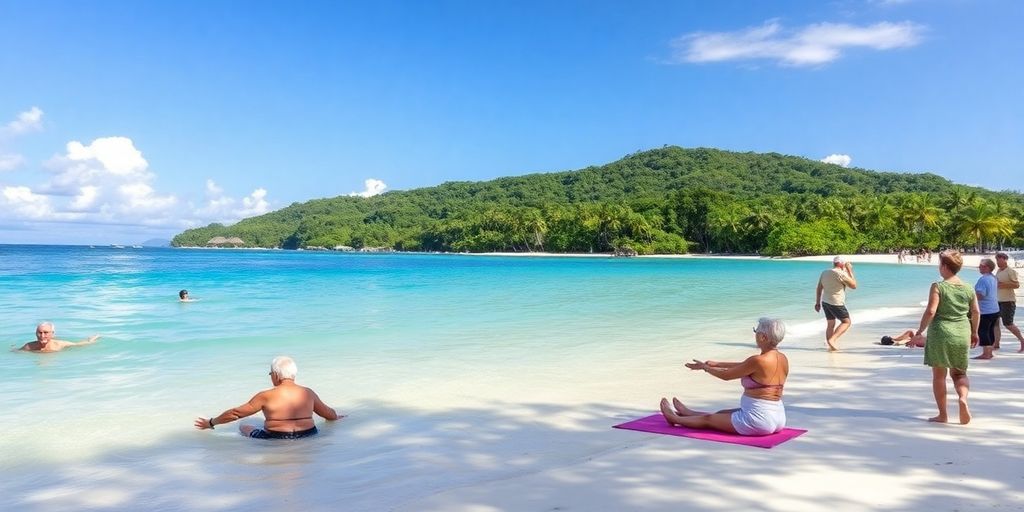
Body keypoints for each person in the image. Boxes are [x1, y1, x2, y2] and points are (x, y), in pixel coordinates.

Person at [659, 317, 789, 436]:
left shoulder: (758, 360)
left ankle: (674, 418)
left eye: (756, 331)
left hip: (758, 420)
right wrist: (716, 364)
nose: (755, 334)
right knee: (721, 414)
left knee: (708, 420)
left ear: (763, 337)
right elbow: (744, 366)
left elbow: (726, 376)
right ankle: (689, 414)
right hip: (778, 417)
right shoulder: (782, 359)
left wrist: (706, 368)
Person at [194, 356, 342, 439]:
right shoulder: (308, 393)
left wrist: (211, 422)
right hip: (309, 434)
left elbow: (235, 414)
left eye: (271, 374)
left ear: (276, 375)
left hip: (276, 438)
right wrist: (337, 417)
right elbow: (329, 414)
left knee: (244, 426)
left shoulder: (265, 396)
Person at [914, 250, 979, 425]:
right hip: (962, 332)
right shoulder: (968, 288)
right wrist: (974, 332)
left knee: (939, 375)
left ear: (944, 266)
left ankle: (943, 414)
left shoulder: (938, 286)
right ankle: (963, 398)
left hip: (941, 333)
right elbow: (975, 312)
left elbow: (931, 311)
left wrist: (920, 331)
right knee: (959, 373)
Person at [814, 256, 858, 351]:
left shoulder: (825, 272)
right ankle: (832, 340)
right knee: (846, 322)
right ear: (841, 264)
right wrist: (850, 270)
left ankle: (830, 346)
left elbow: (819, 288)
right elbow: (854, 285)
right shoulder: (841, 274)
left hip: (825, 301)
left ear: (834, 263)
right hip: (836, 302)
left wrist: (817, 303)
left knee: (831, 323)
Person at [993, 252, 1024, 352]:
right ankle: (996, 344)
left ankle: (1022, 341)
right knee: (995, 323)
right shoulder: (998, 271)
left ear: (1005, 259)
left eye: (999, 259)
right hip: (998, 301)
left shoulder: (1010, 271)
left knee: (1008, 324)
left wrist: (1002, 284)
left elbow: (1016, 285)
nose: (997, 262)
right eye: (996, 260)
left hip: (1008, 301)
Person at [973, 258, 1000, 360]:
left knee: (983, 331)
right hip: (994, 308)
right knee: (990, 330)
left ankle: (986, 353)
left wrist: (971, 301)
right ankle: (990, 351)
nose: (979, 268)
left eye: (981, 266)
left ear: (987, 267)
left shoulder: (983, 279)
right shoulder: (993, 278)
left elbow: (980, 295)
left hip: (986, 310)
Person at [17, 322, 101, 353]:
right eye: (40, 333)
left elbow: (78, 345)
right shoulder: (29, 346)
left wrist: (90, 340)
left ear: (52, 333)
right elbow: (16, 352)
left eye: (46, 333)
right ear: (35, 334)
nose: (42, 336)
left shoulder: (59, 344)